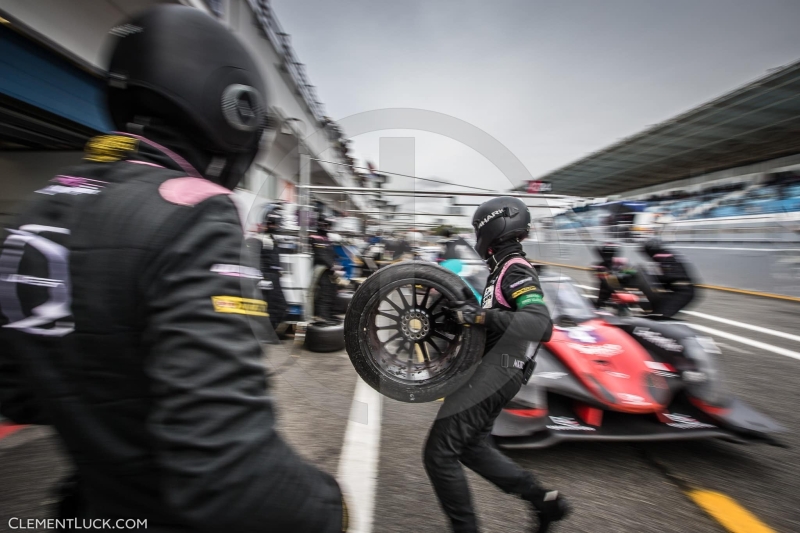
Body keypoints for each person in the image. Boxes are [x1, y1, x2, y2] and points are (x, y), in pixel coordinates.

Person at [0, 6, 345, 531]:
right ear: (235, 108)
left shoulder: (44, 203)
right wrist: (328, 508)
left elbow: (20, 391)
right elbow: (234, 479)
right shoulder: (193, 208)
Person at [424, 197, 570, 533]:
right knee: (472, 449)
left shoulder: (514, 268)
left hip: (497, 372)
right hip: (501, 372)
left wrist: (478, 315)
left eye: (478, 229)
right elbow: (494, 321)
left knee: (439, 454)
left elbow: (539, 324)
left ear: (491, 227)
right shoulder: (500, 268)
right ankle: (544, 501)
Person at [638, 238, 695, 318]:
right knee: (656, 312)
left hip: (681, 292)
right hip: (678, 290)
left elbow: (668, 276)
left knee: (660, 316)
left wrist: (651, 278)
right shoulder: (667, 256)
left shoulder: (663, 257)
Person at [254, 206, 288, 329]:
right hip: (267, 277)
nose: (278, 227)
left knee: (280, 306)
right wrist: (262, 277)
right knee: (272, 307)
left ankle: (270, 331)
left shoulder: (272, 239)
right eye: (276, 224)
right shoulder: (261, 239)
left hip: (274, 277)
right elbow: (257, 259)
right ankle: (267, 332)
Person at [309, 215, 339, 322]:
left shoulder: (327, 239)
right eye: (326, 225)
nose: (328, 227)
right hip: (321, 271)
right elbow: (321, 255)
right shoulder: (314, 238)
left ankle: (330, 314)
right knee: (324, 293)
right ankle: (323, 316)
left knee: (332, 292)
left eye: (329, 225)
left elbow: (332, 254)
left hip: (330, 271)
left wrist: (336, 264)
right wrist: (332, 266)